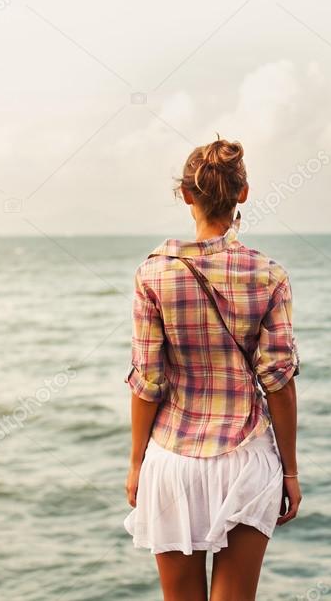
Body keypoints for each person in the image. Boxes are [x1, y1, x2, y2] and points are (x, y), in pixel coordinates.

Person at [123, 137, 302, 600]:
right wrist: (291, 472)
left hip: (173, 459)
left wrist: (136, 464)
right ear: (243, 193)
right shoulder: (269, 275)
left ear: (186, 195)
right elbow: (278, 384)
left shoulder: (154, 273)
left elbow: (148, 382)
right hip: (245, 459)